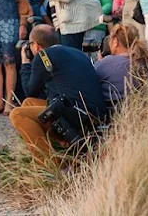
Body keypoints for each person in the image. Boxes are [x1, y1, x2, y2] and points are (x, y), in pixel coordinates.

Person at [10, 25, 107, 165]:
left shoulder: (43, 56)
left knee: (17, 114)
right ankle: (63, 149)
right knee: (29, 103)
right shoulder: (75, 52)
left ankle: (50, 164)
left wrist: (25, 63)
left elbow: (29, 90)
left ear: (36, 46)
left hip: (77, 115)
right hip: (90, 113)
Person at [95, 24, 148, 110]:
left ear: (115, 41)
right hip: (141, 109)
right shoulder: (145, 60)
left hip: (113, 112)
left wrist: (99, 62)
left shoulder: (108, 62)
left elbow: (92, 79)